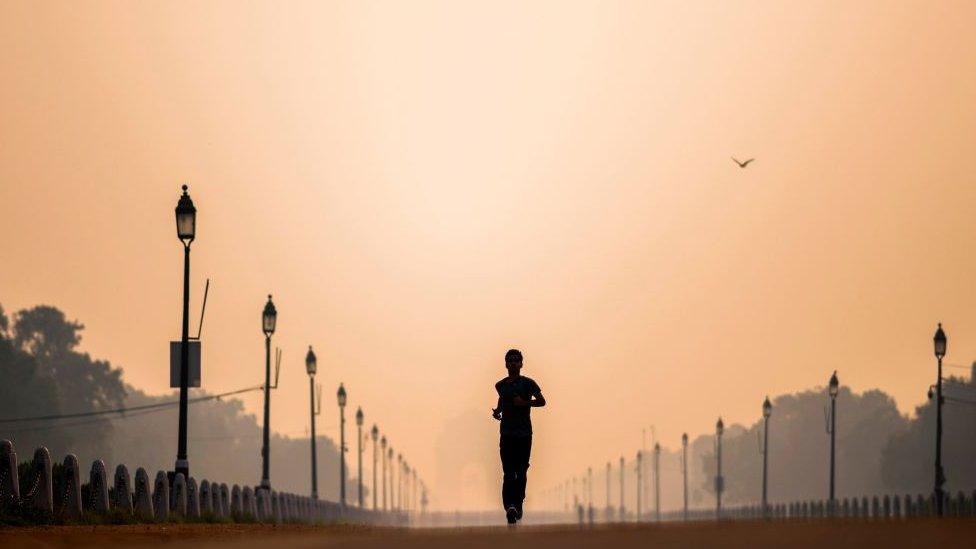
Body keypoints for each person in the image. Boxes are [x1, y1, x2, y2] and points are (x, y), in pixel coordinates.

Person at [492, 348, 546, 524]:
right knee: (508, 472)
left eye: (516, 360)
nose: (513, 363)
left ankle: (518, 502)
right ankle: (510, 507)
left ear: (521, 364)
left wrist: (524, 403)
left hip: (524, 434)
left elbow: (542, 401)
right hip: (506, 433)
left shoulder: (528, 384)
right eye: (510, 360)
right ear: (506, 364)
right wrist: (498, 411)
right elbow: (502, 400)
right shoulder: (500, 385)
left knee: (521, 471)